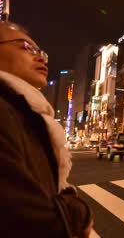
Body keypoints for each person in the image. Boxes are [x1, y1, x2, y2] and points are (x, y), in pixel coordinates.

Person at [0, 21, 93, 237]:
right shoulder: (6, 112)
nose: (41, 58)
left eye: (41, 52)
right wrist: (80, 214)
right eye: (25, 47)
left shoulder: (23, 113)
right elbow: (22, 216)